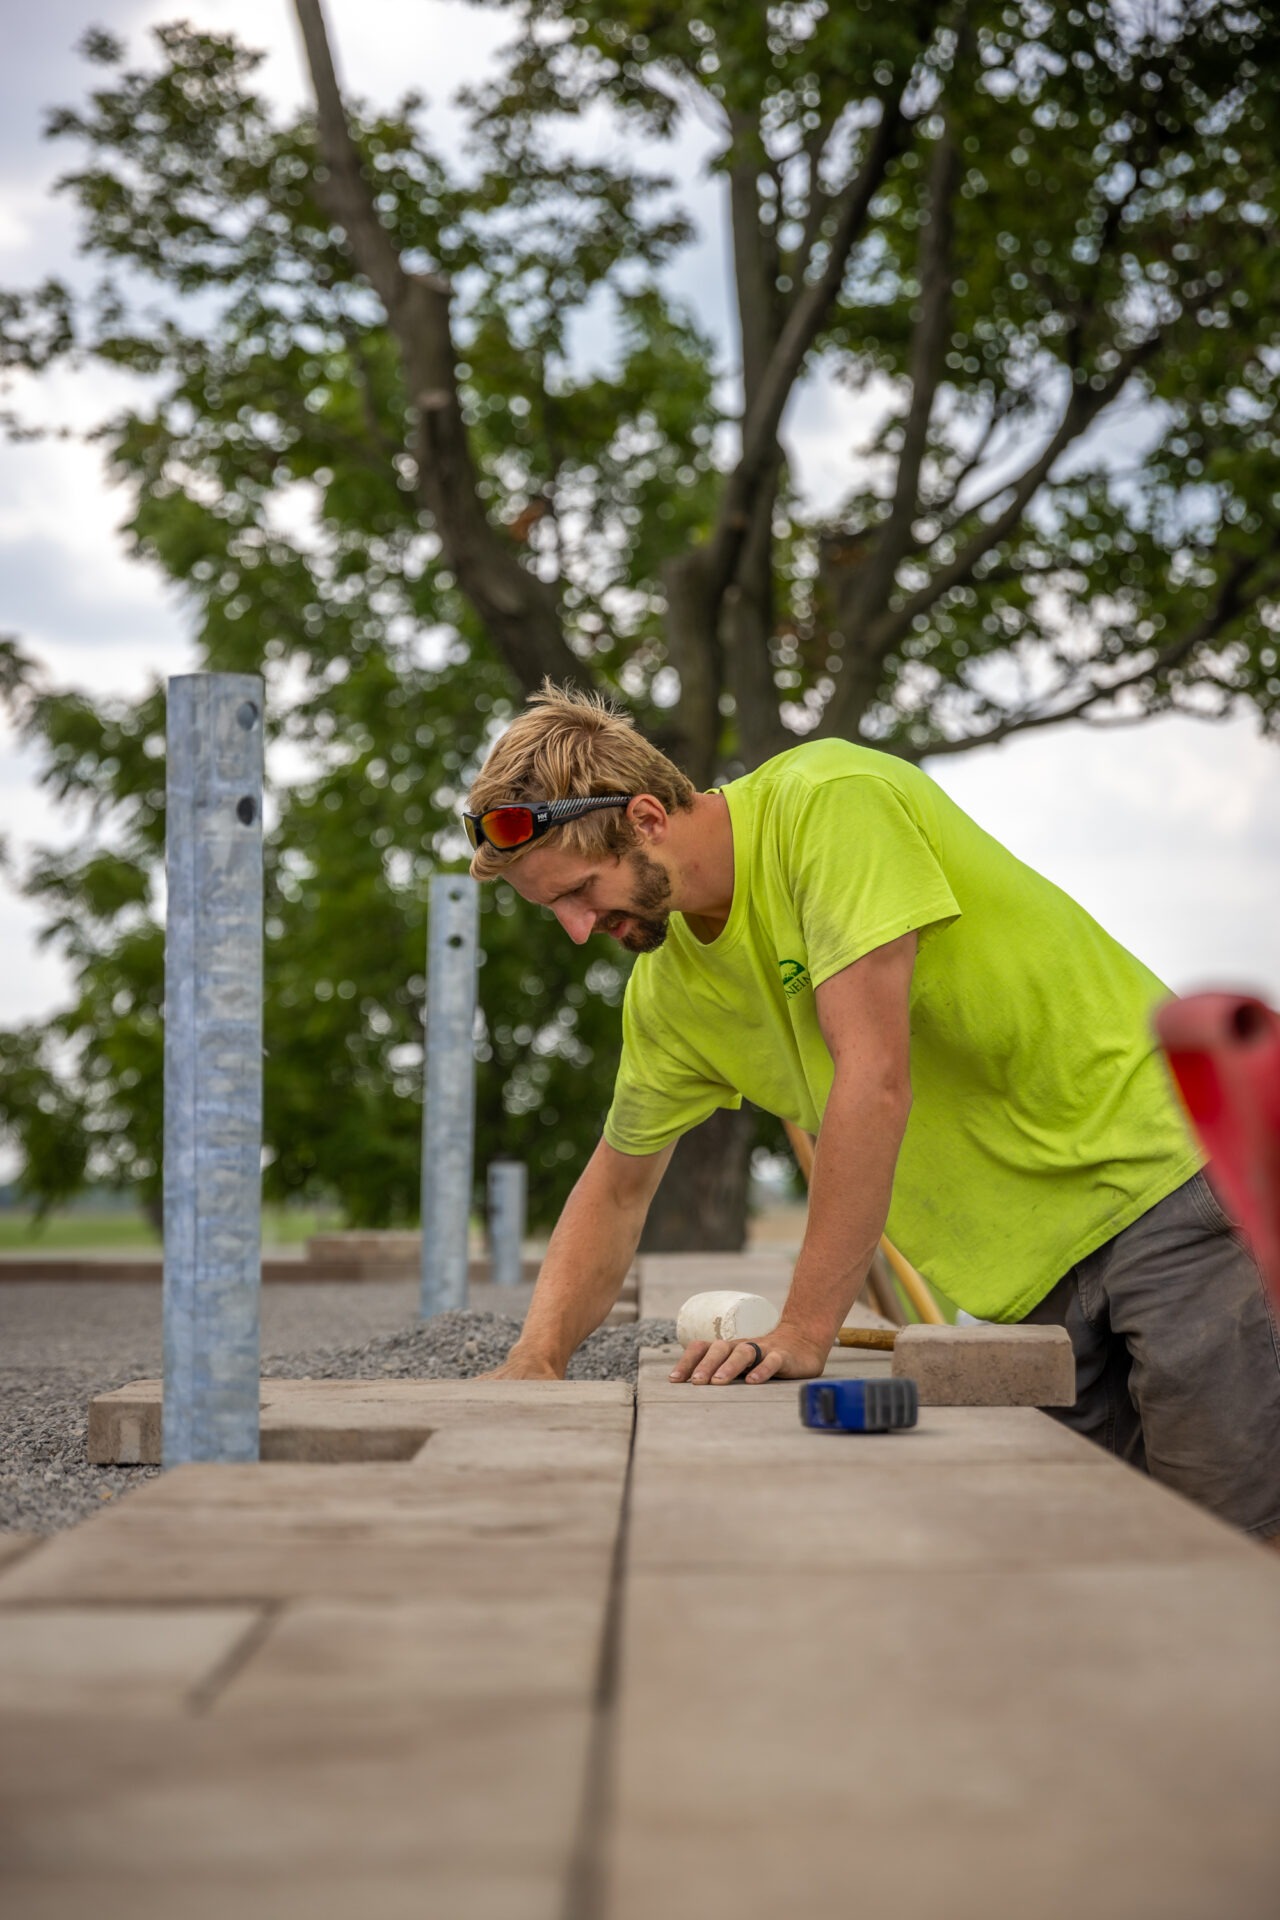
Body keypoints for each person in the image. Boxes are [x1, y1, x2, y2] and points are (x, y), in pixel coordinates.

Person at [464, 683, 1280, 1542]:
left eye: (581, 891)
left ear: (645, 817)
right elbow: (619, 1187)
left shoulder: (829, 804)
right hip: (1026, 1286)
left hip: (1173, 1182)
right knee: (1079, 1565)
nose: (578, 928)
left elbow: (875, 1074)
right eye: (554, 907)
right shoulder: (669, 999)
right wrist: (537, 1358)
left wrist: (804, 1330)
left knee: (1236, 1550)